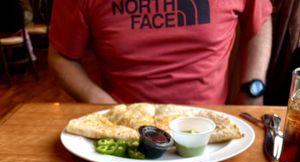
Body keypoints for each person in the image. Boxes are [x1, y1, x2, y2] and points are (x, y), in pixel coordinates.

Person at [48, 0, 273, 105]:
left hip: (210, 126)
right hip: (123, 126)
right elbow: (62, 55)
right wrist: (100, 103)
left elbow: (260, 20)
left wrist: (252, 90)